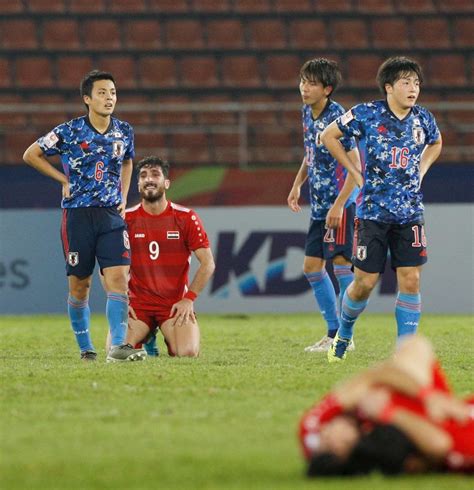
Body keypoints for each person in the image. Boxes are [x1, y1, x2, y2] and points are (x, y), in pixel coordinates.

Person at [321, 56, 443, 362]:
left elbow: (436, 142)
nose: (413, 88)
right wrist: (353, 169)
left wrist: (422, 169)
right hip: (372, 214)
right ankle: (345, 333)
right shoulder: (366, 113)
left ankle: (405, 355)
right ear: (389, 87)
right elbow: (328, 136)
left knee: (411, 278)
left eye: (416, 82)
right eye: (405, 82)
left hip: (410, 213)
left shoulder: (423, 119)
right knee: (364, 284)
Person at [23, 70, 145, 363]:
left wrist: (124, 195)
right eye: (102, 93)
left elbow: (128, 161)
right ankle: (86, 348)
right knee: (81, 285)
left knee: (119, 279)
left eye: (113, 92)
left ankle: (118, 347)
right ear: (87, 99)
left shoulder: (124, 131)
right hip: (77, 216)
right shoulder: (68, 131)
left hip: (111, 217)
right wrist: (63, 181)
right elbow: (31, 154)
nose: (109, 98)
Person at [299, 335, 474, 476]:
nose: (327, 431)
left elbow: (374, 375)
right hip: (431, 422)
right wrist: (387, 412)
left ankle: (342, 335)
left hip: (433, 413)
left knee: (412, 346)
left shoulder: (317, 424)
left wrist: (429, 396)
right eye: (341, 441)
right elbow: (439, 446)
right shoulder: (380, 442)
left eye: (327, 434)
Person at [287, 58, 360, 352]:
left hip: (341, 203)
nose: (304, 88)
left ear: (327, 89)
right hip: (320, 205)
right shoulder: (307, 112)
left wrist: (340, 205)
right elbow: (311, 152)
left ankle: (345, 336)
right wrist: (297, 183)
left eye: (312, 83)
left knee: (342, 267)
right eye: (303, 81)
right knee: (312, 268)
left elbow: (355, 166)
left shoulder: (340, 117)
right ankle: (333, 333)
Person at [120, 156, 215, 357]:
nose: (149, 179)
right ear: (137, 184)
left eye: (155, 174)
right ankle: (147, 335)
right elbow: (108, 266)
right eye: (143, 176)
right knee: (117, 351)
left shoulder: (186, 217)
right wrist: (120, 299)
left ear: (167, 183)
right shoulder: (125, 220)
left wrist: (189, 299)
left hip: (173, 305)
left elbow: (208, 264)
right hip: (138, 305)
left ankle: (156, 333)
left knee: (187, 353)